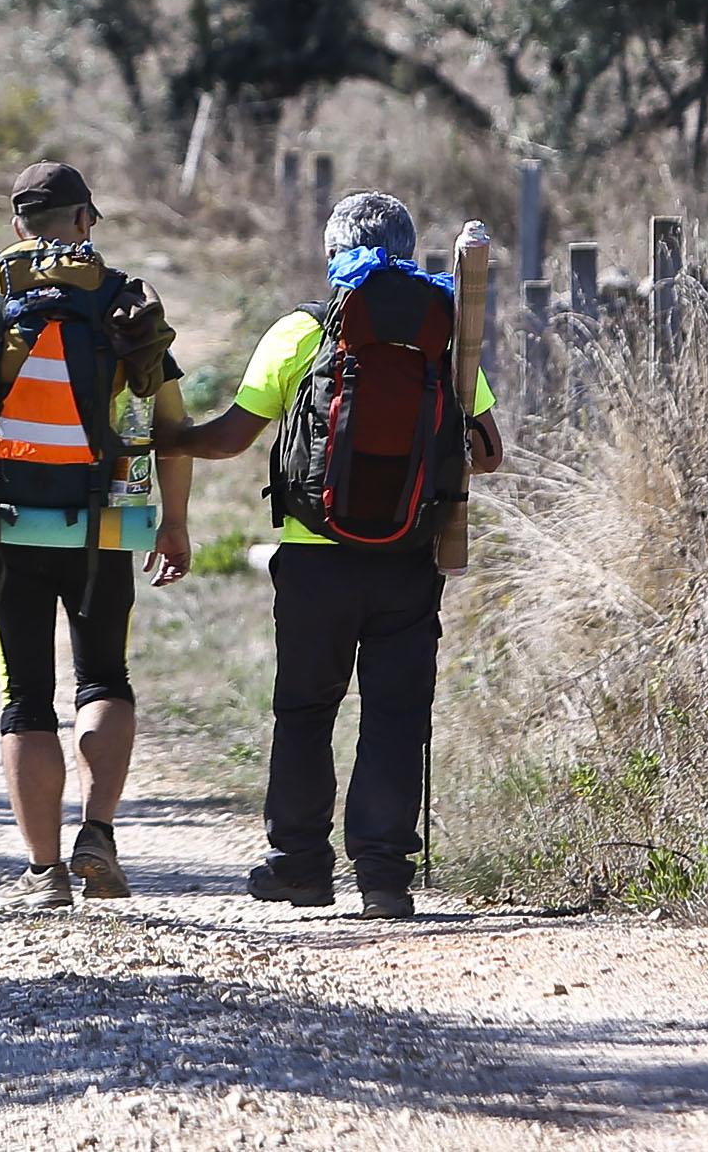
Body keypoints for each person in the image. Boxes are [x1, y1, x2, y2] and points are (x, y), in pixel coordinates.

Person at [161, 190, 503, 918]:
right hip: (408, 556)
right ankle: (383, 878)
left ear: (331, 256)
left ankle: (300, 866)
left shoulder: (300, 331)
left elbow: (231, 436)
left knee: (305, 708)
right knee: (393, 714)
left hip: (315, 554)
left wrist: (168, 438)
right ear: (410, 253)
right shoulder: (444, 333)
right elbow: (489, 451)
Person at [0, 159, 194, 909]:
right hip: (102, 520)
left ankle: (42, 871)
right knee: (103, 677)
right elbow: (171, 430)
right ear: (84, 220)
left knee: (25, 692)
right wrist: (175, 524)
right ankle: (96, 833)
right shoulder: (127, 300)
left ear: (16, 225)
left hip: (4, 524)